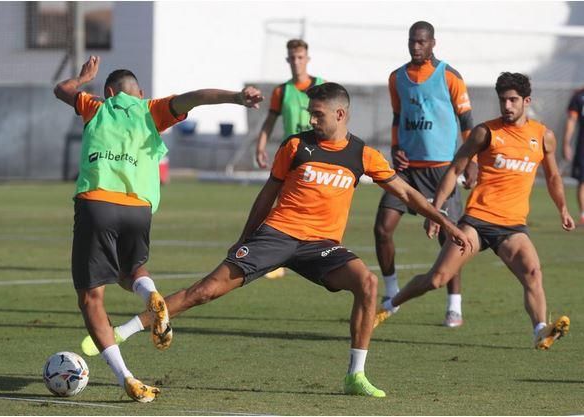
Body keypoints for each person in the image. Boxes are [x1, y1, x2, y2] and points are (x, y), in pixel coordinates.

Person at [82, 82, 474, 397]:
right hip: (277, 235)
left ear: (341, 114)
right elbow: (266, 197)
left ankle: (355, 375)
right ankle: (127, 329)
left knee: (367, 284)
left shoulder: (362, 155)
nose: (312, 120)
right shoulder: (295, 146)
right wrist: (244, 239)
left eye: (318, 115)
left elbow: (407, 194)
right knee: (205, 291)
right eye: (310, 114)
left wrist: (448, 223)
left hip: (322, 246)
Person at [54, 55, 263, 403]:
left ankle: (127, 378)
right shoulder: (153, 109)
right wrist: (238, 97)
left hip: (96, 203)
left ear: (109, 91)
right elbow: (197, 96)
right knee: (131, 270)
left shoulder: (95, 106)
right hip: (138, 209)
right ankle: (150, 294)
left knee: (91, 298)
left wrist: (82, 77)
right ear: (141, 93)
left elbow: (61, 90)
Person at [373, 72, 575, 351]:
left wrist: (563, 208)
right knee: (437, 279)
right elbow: (454, 169)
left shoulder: (543, 136)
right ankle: (390, 305)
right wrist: (436, 211)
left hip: (512, 227)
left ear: (526, 101)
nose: (507, 106)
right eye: (503, 100)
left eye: (513, 100)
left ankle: (541, 330)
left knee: (532, 272)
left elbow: (553, 178)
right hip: (477, 222)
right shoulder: (485, 132)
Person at [373, 21, 476, 328]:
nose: (416, 47)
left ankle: (454, 306)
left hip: (441, 171)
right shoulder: (397, 78)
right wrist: (395, 147)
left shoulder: (449, 76)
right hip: (407, 173)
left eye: (421, 42)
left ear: (433, 44)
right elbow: (396, 117)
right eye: (412, 42)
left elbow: (468, 122)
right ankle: (391, 293)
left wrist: (471, 161)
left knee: (451, 239)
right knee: (382, 228)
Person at [253, 38, 324, 280]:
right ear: (287, 60)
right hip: (293, 157)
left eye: (300, 57)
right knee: (284, 207)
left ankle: (319, 250)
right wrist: (261, 145)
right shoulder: (281, 91)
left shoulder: (322, 86)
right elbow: (270, 121)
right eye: (292, 58)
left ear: (307, 59)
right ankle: (277, 259)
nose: (296, 62)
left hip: (319, 156)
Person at [562, 86, 584, 225]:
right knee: (583, 181)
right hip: (583, 146)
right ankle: (583, 215)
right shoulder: (579, 96)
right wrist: (566, 143)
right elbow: (572, 119)